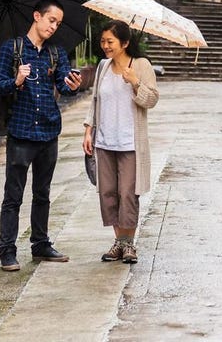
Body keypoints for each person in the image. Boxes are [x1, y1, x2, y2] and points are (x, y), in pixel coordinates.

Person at [0, 0, 83, 272]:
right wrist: (17, 81)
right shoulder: (12, 49)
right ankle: (7, 251)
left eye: (58, 22)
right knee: (13, 195)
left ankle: (40, 244)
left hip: (48, 131)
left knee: (43, 193)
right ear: (37, 16)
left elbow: (65, 88)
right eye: (51, 20)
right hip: (21, 132)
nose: (54, 26)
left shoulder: (57, 54)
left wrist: (74, 85)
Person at [83, 20, 159, 264]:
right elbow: (95, 101)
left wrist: (135, 82)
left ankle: (128, 244)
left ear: (125, 43)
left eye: (110, 42)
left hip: (130, 143)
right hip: (105, 142)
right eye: (103, 41)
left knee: (127, 193)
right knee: (108, 193)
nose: (105, 46)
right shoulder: (103, 67)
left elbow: (152, 100)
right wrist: (88, 130)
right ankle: (119, 243)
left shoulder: (141, 65)